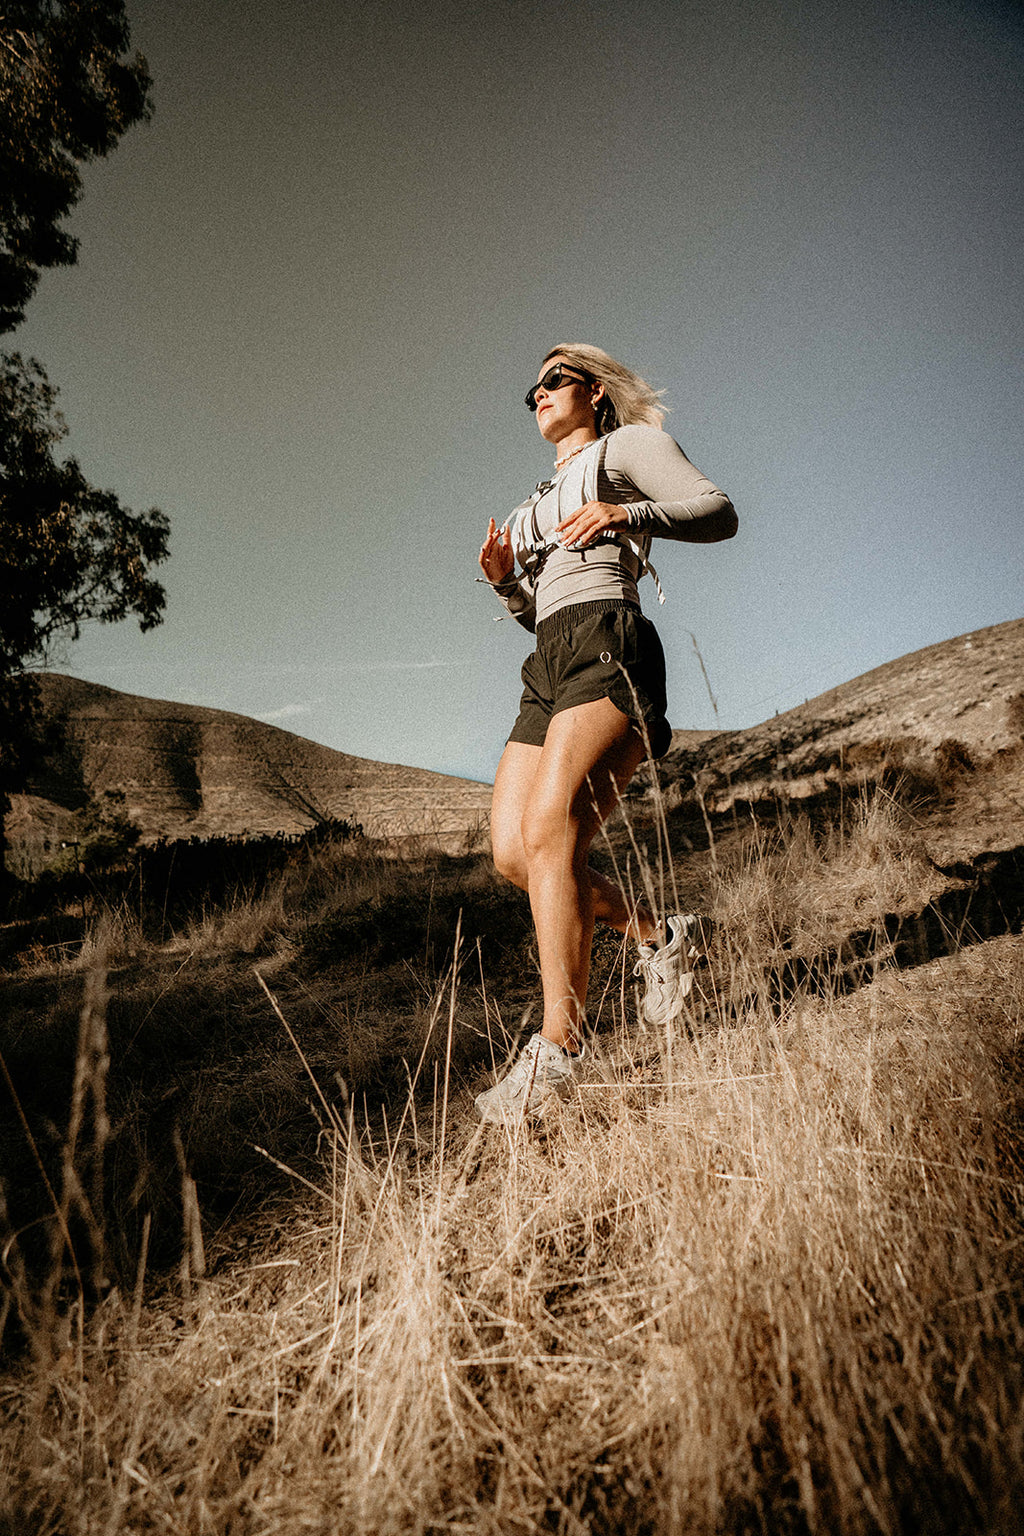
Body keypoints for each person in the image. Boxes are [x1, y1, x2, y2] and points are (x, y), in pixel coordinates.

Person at [475, 344, 737, 1123]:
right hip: (548, 660)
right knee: (515, 855)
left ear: (592, 390)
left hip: (608, 638)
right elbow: (538, 612)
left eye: (553, 380)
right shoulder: (534, 500)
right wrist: (507, 584)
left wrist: (627, 513)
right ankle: (659, 936)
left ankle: (559, 1048)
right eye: (531, 389)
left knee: (553, 830)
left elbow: (719, 510)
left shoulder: (624, 450)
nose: (538, 394)